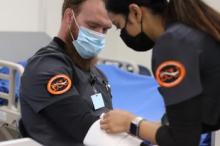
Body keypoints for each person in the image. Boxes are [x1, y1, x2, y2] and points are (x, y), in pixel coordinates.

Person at [100, 0, 220, 146]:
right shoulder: (194, 31)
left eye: (119, 26)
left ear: (135, 12)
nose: (122, 34)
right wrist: (157, 128)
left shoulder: (172, 44)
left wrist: (130, 123)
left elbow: (183, 140)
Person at [19, 0, 113, 145]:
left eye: (105, 29)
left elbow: (108, 121)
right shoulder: (46, 67)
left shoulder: (97, 74)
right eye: (92, 26)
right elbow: (85, 127)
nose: (99, 35)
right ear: (69, 17)